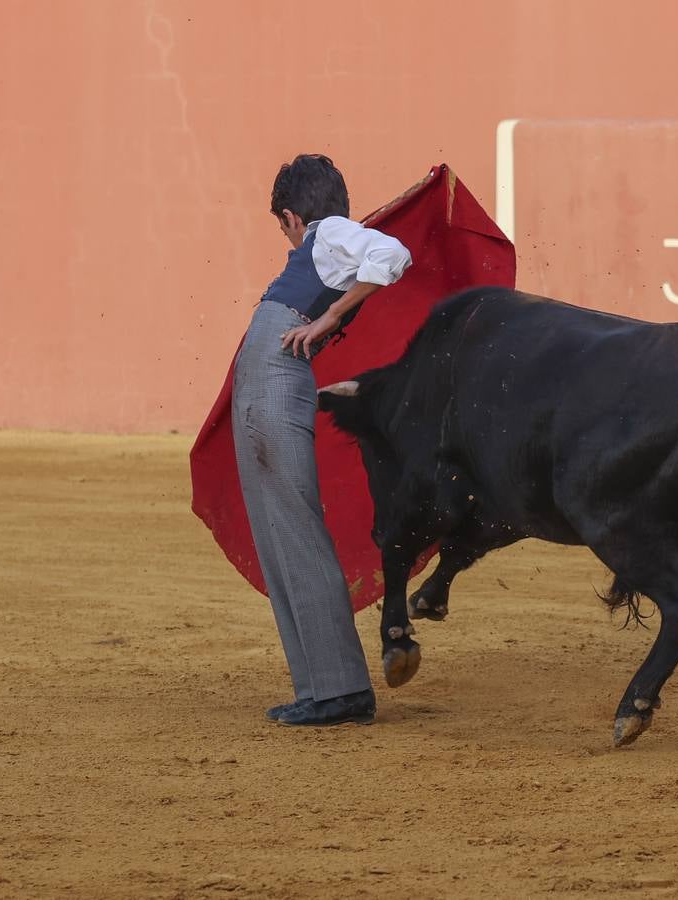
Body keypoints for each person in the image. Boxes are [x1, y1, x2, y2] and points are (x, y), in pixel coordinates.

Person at [231, 154, 412, 726]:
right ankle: (319, 685)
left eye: (282, 227)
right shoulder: (327, 242)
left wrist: (330, 316)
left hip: (277, 385)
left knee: (295, 528)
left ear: (291, 217)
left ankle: (342, 691)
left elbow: (392, 253)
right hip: (264, 389)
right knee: (278, 536)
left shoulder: (328, 232)